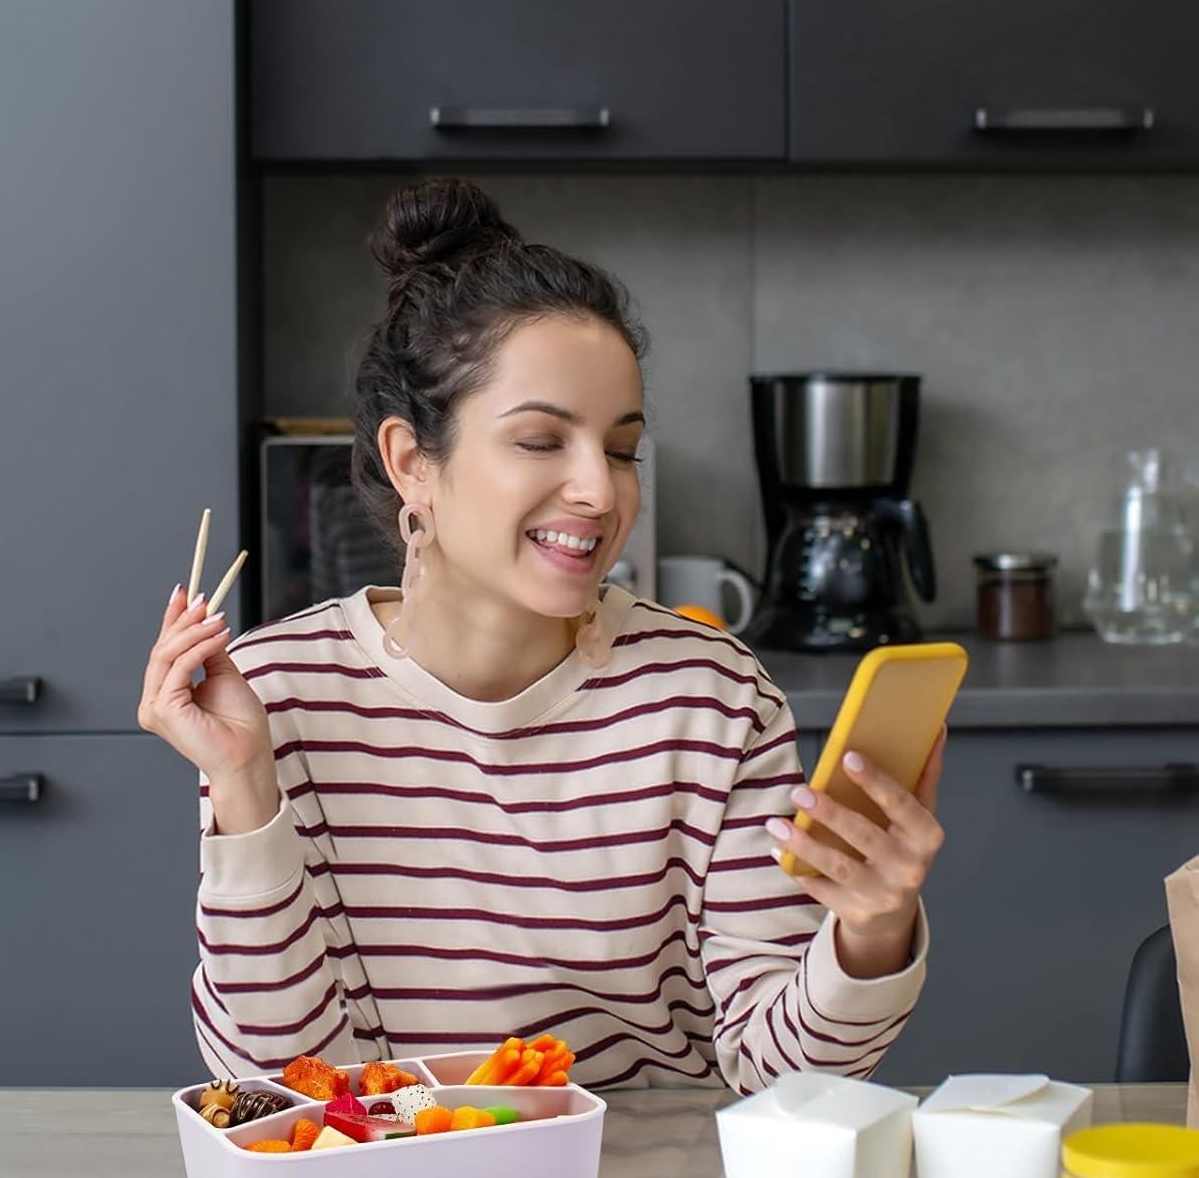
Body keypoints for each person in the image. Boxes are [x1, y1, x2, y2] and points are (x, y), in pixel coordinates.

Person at [137, 177, 947, 1094]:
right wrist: (245, 787)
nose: (600, 492)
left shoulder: (710, 698)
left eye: (621, 448)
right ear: (414, 463)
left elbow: (777, 1074)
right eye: (539, 441)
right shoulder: (276, 697)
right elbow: (281, 1086)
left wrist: (871, 931)